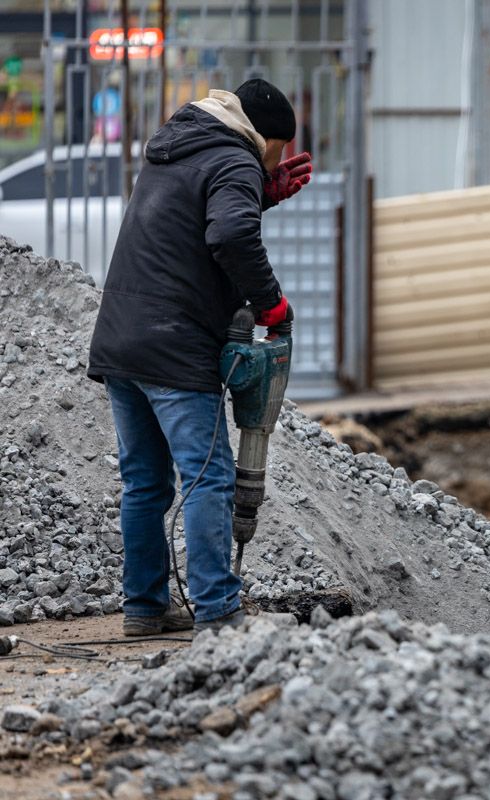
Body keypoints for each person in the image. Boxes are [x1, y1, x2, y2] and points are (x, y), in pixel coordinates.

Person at [87, 79, 313, 636]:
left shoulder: (178, 146)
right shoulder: (236, 158)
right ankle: (218, 611)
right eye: (277, 149)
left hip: (121, 337)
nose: (276, 160)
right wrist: (272, 303)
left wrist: (260, 192)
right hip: (176, 345)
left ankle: (143, 608)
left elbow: (197, 219)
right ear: (262, 136)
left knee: (144, 483)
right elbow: (231, 233)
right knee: (207, 477)